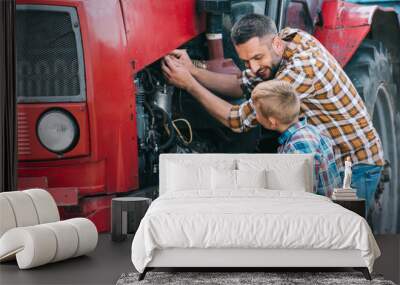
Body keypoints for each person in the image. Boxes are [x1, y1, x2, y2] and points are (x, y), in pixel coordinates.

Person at [161, 14, 384, 215]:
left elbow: (237, 119)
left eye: (258, 57)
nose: (253, 66)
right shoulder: (287, 40)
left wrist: (189, 84)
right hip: (330, 159)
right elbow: (243, 83)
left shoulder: (300, 71)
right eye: (246, 61)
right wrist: (192, 70)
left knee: (344, 238)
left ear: (275, 43)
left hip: (355, 164)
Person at [251, 80, 340, 196]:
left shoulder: (298, 146)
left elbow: (301, 192)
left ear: (272, 122)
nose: (255, 116)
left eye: (256, 112)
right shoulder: (311, 130)